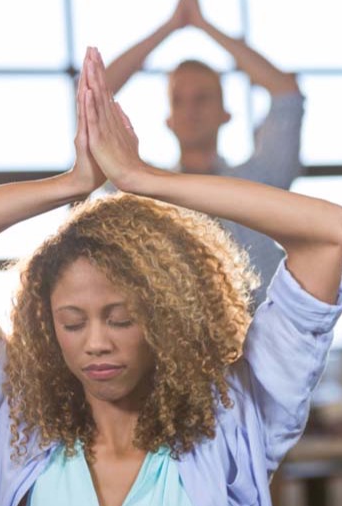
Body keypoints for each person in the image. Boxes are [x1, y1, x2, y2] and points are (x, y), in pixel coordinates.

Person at [0, 47, 342, 506]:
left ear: (164, 318)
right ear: (47, 328)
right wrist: (71, 184)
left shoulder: (235, 425)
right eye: (72, 322)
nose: (96, 344)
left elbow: (327, 233)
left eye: (121, 318)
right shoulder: (20, 424)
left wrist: (140, 179)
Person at [105, 0, 305, 306]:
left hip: (256, 344)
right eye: (179, 100)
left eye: (203, 98)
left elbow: (286, 94)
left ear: (226, 113)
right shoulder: (142, 189)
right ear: (168, 119)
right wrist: (170, 26)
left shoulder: (258, 181)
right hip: (173, 345)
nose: (191, 110)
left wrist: (204, 25)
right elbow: (94, 96)